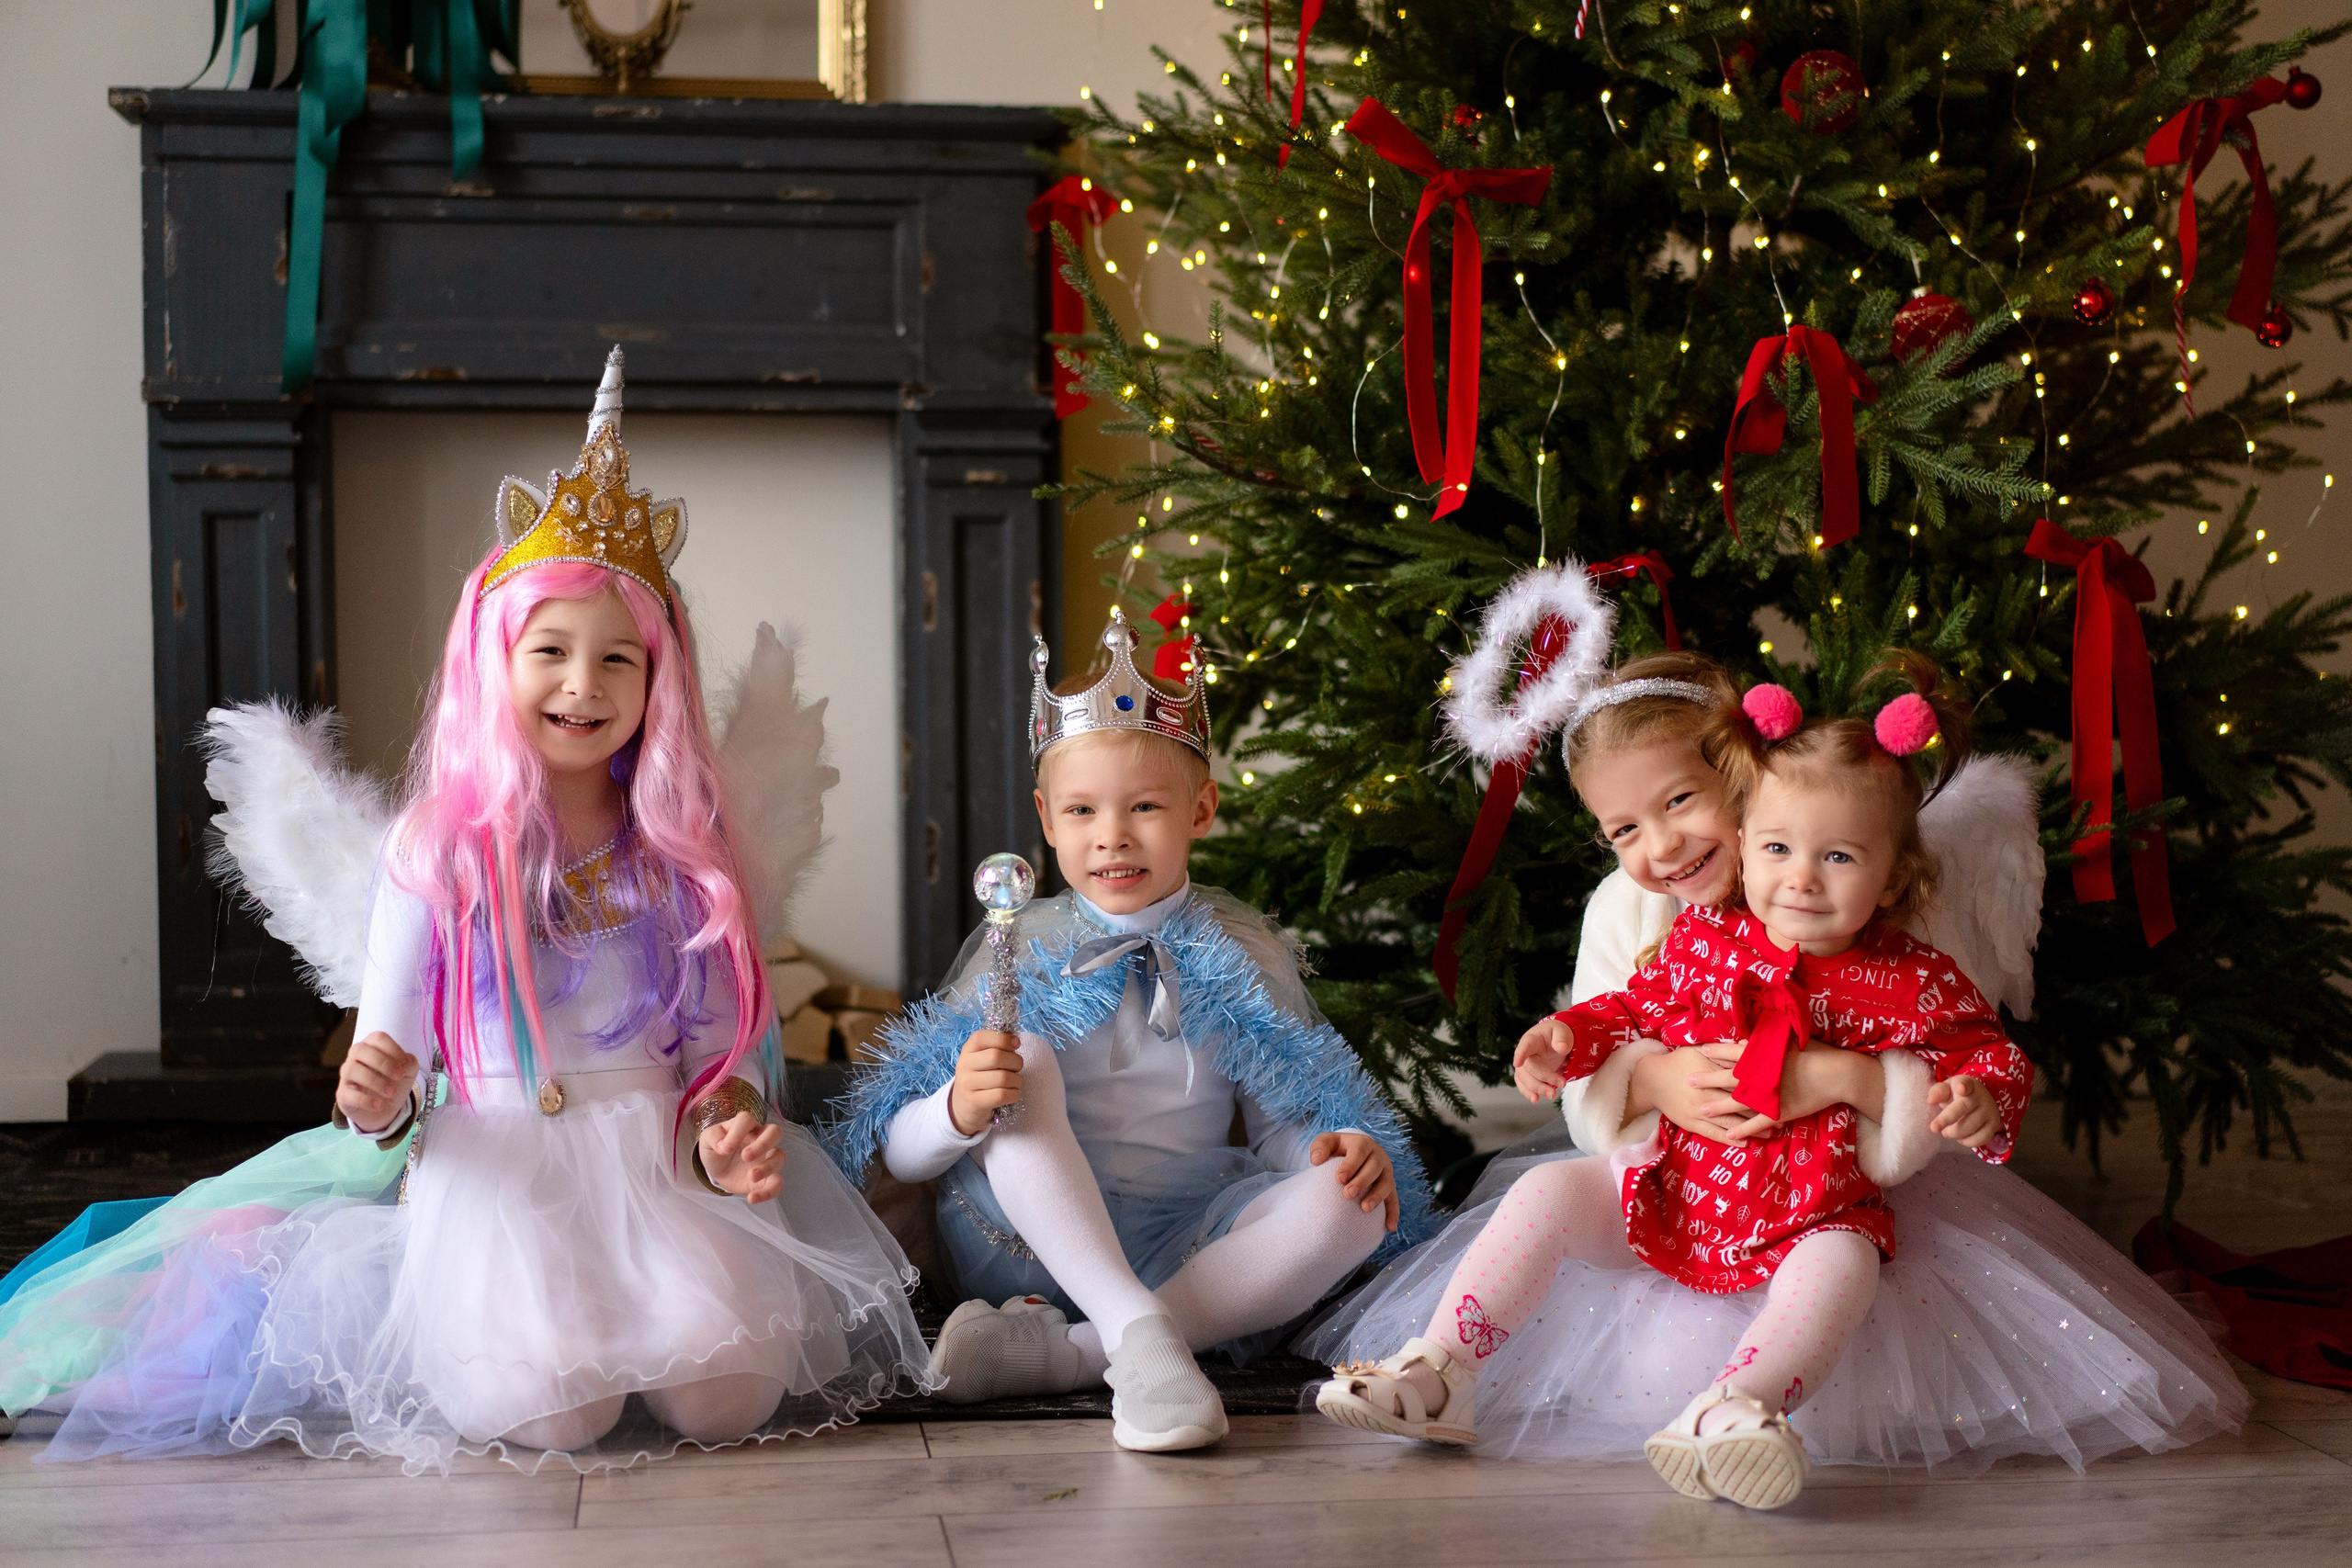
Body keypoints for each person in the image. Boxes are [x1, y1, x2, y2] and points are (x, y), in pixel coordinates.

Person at [0, 350, 930, 1472]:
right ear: (496, 662)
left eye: (618, 660)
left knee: (729, 1395)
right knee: (556, 1413)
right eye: (551, 651)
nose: (583, 685)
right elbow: (391, 1069)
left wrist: (721, 1138)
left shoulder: (683, 861)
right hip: (499, 1176)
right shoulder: (437, 851)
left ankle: (651, 1318)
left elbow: (710, 1063)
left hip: (651, 1173)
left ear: (659, 684)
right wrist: (378, 1098)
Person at [1306, 652, 2247, 1505]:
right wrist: (1571, 1040)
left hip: (1815, 1198)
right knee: (1547, 1191)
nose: (1797, 879)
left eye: (1681, 802)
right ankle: (1441, 1370)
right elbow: (1628, 1005)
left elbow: (1981, 1049)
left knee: (1842, 1263)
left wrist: (1965, 1094)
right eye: (1624, 828)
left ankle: (1736, 1406)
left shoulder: (1902, 968)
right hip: (1677, 1182)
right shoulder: (1700, 936)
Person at [829, 613, 1434, 1451]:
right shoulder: (1022, 948)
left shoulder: (1237, 953)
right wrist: (956, 1111)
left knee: (1354, 1205)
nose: (1111, 834)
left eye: (1145, 805)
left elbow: (1278, 1132)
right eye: (1082, 809)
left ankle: (1080, 1351)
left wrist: (1329, 1152)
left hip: (1185, 1248)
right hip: (1025, 1240)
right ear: (1046, 818)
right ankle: (1134, 1333)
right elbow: (898, 1156)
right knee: (1020, 1055)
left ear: (1202, 808)